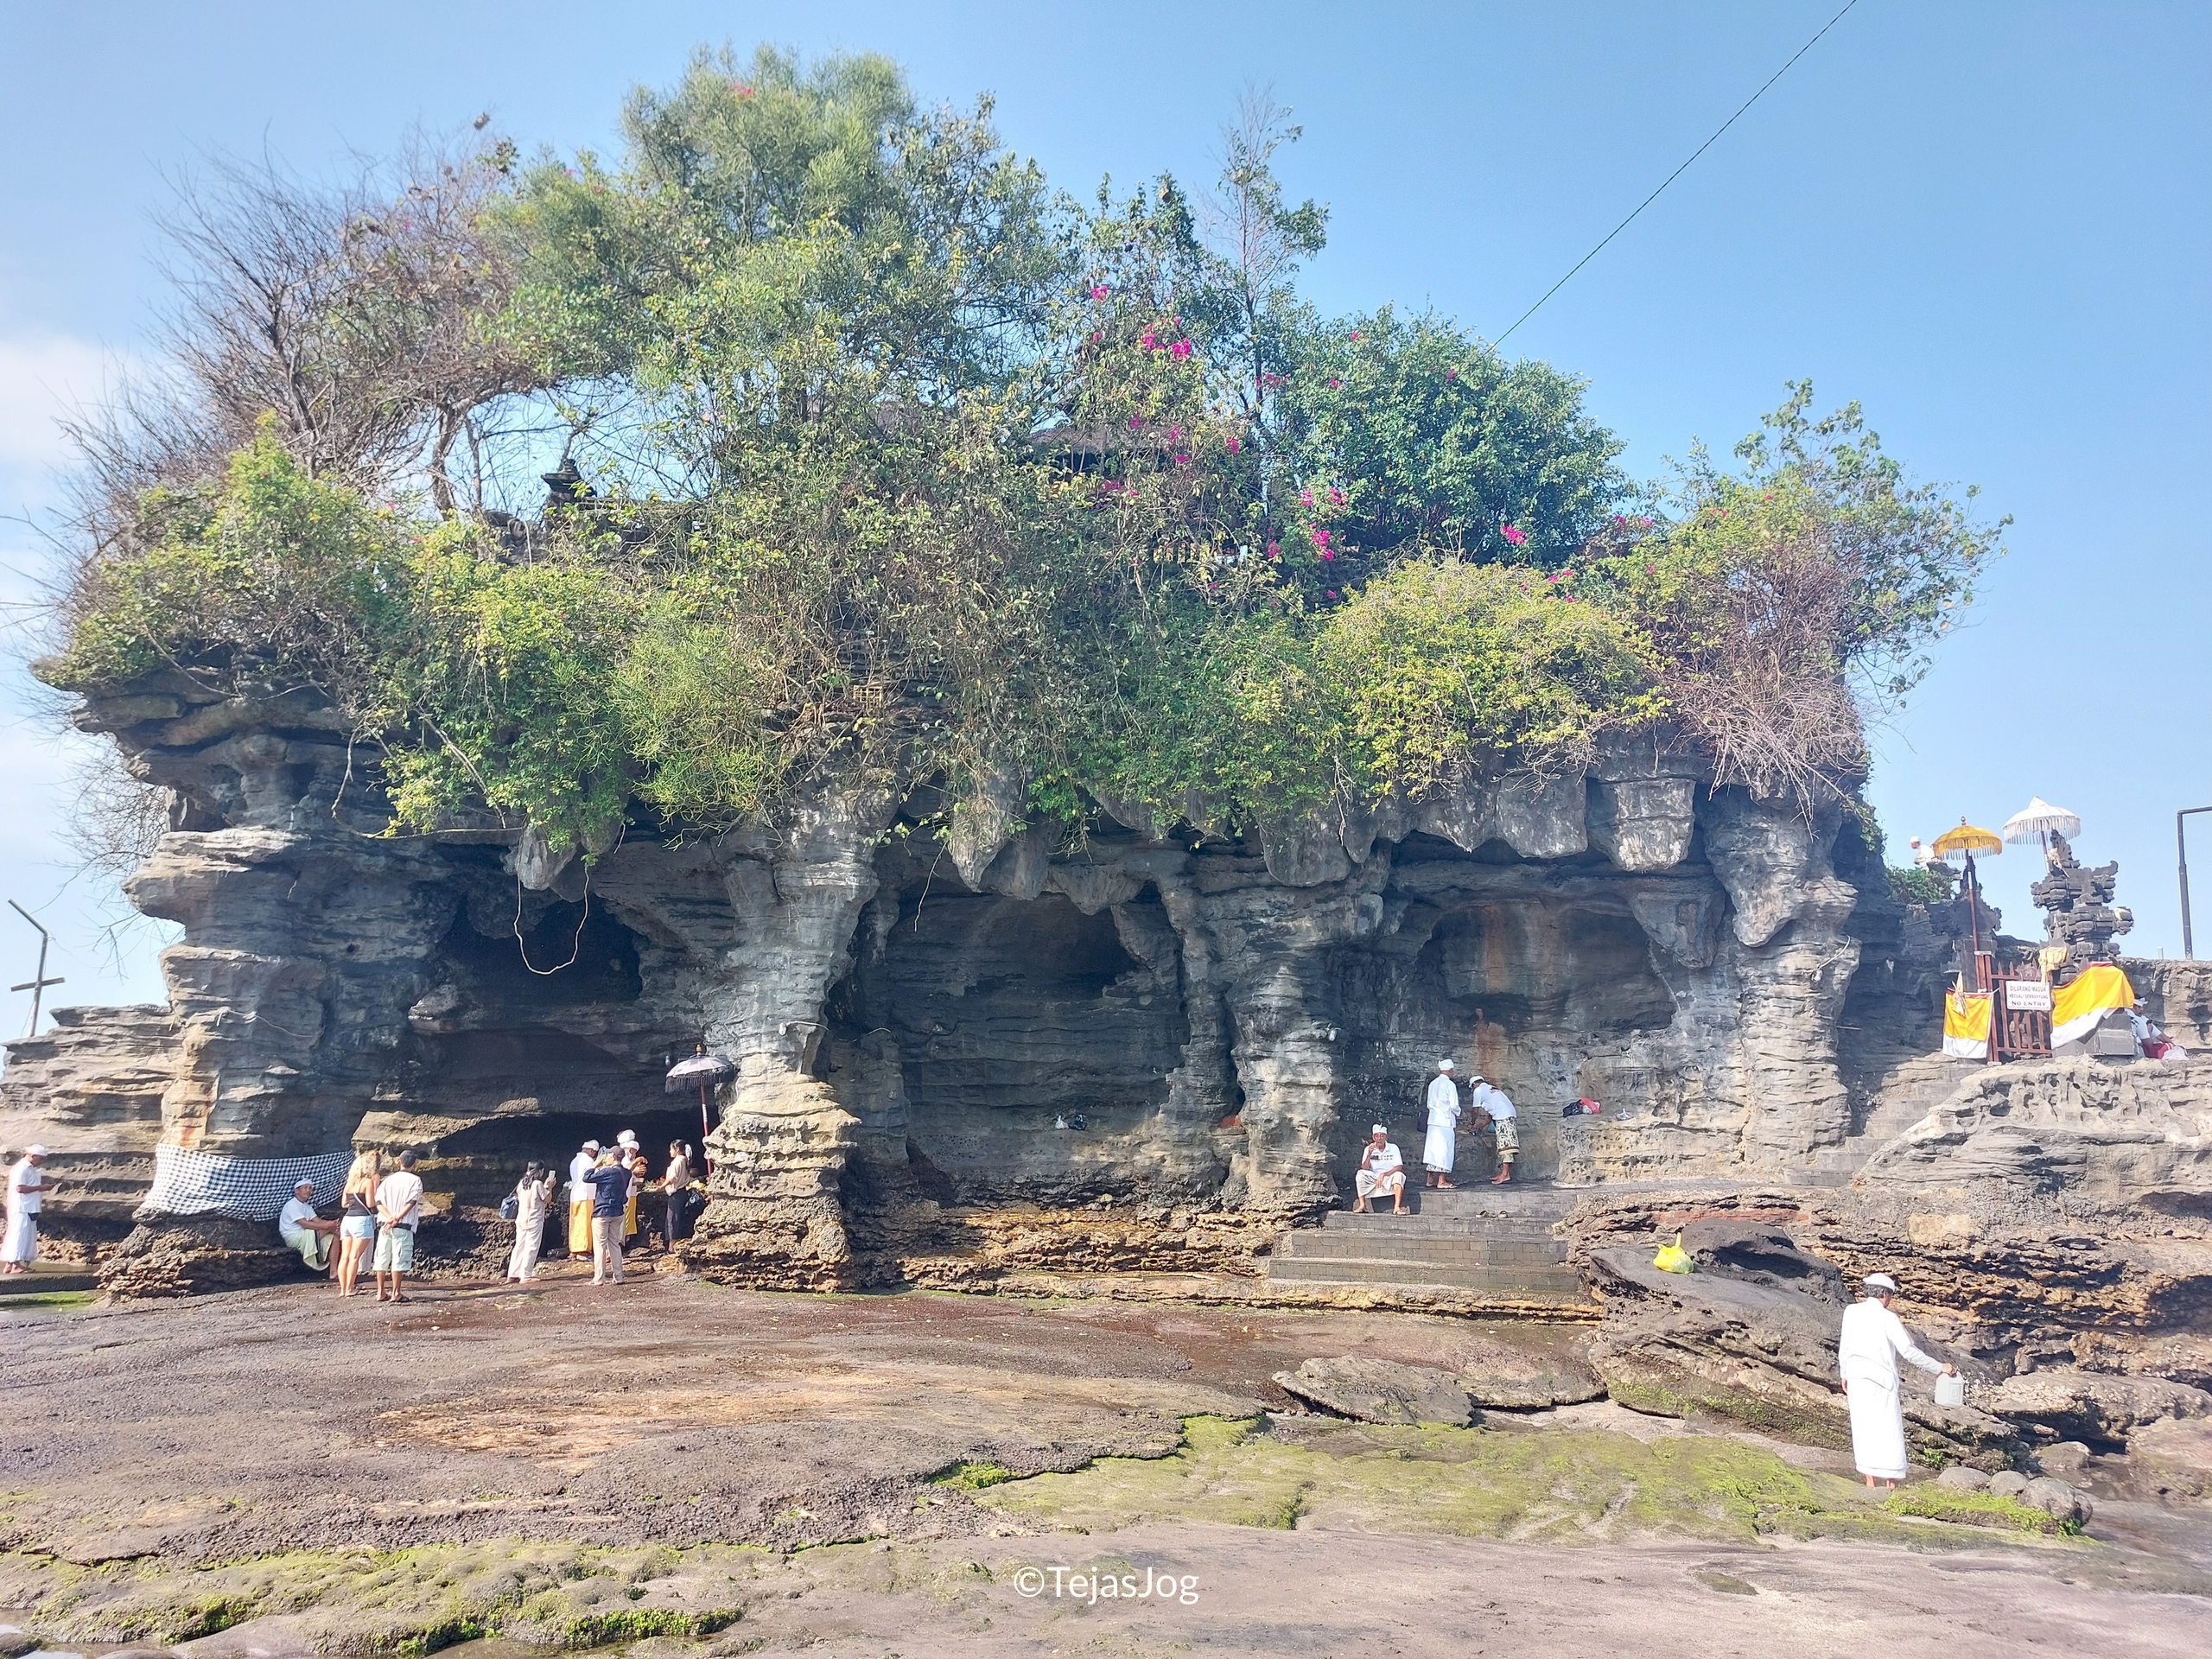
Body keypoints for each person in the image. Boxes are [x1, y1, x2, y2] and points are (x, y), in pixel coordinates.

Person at [1838, 1272, 1955, 1489]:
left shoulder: (1851, 1311)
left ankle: (1870, 1482)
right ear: (1884, 1294)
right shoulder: (1887, 1318)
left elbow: (1845, 1345)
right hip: (1881, 1380)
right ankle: (1890, 1483)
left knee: (1863, 1427)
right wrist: (1940, 1368)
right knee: (1887, 1429)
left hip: (1856, 1376)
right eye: (1890, 1295)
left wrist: (1844, 1373)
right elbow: (1908, 1352)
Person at [372, 1149, 426, 1304]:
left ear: (398, 1161)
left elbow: (378, 1202)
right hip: (403, 1225)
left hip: (385, 1224)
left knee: (382, 1258)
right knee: (399, 1258)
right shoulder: (415, 1180)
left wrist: (389, 1217)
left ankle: (380, 1292)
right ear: (415, 1164)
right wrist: (397, 1217)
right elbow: (411, 1202)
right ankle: (396, 1292)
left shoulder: (387, 1180)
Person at [2, 1145, 56, 1274]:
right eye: (40, 1159)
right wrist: (40, 1187)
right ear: (33, 1156)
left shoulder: (31, 1169)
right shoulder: (21, 1169)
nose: (41, 1162)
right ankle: (16, 1266)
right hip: (21, 1207)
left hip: (29, 1207)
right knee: (19, 1235)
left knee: (24, 1236)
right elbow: (20, 1188)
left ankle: (10, 1265)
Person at [335, 1152, 380, 1297]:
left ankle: (343, 1289)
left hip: (347, 1220)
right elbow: (371, 1203)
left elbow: (344, 1204)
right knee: (355, 1257)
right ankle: (350, 1288)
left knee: (345, 1256)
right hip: (361, 1220)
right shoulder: (367, 1182)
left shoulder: (349, 1183)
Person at [587, 1149, 632, 1284]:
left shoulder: (606, 1172)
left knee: (600, 1246)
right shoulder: (627, 1173)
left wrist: (596, 1164)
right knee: (614, 1244)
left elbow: (586, 1178)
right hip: (618, 1212)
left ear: (612, 1156)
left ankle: (599, 1278)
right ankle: (618, 1276)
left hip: (602, 1212)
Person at [277, 1179, 340, 1275]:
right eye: (305, 1188)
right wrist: (328, 1226)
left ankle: (333, 1271)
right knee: (329, 1229)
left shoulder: (307, 1206)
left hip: (306, 1234)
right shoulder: (291, 1205)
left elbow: (318, 1221)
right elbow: (304, 1223)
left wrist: (333, 1223)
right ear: (297, 1191)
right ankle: (348, 1240)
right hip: (293, 1237)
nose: (308, 1190)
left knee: (334, 1238)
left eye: (310, 1188)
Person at [1470, 1075, 1519, 1185]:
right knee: (1504, 1143)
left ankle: (1505, 1174)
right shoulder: (1491, 1088)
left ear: (1474, 1084)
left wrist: (1472, 1123)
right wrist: (1481, 1126)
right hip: (1508, 1115)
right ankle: (1504, 1173)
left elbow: (1475, 1110)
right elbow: (1490, 1116)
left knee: (1506, 1145)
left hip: (1503, 1117)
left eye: (1472, 1087)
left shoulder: (1478, 1091)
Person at [1421, 1060, 1461, 1190]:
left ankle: (1430, 1179)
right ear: (1450, 1071)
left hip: (1433, 1121)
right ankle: (1442, 1180)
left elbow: (1428, 1104)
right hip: (1445, 1121)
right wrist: (1459, 1112)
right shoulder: (1450, 1084)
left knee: (1432, 1150)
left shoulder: (1433, 1084)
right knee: (1445, 1150)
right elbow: (1454, 1105)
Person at [1353, 1124, 1407, 1215]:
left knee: (1399, 1175)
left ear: (1386, 1137)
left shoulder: (1393, 1148)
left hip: (1389, 1176)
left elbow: (1399, 1167)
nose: (1379, 1138)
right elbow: (1364, 1167)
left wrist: (1384, 1174)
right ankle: (1362, 1205)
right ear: (1373, 1137)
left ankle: (1397, 1207)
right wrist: (1369, 1154)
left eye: (1382, 1135)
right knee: (1360, 1174)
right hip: (1374, 1177)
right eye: (1377, 1135)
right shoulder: (1368, 1148)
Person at [567, 1140, 601, 1258]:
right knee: (584, 1223)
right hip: (585, 1195)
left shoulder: (574, 1161)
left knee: (575, 1222)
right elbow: (594, 1174)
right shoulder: (588, 1161)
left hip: (575, 1195)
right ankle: (583, 1251)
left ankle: (574, 1249)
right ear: (592, 1151)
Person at [661, 1140, 695, 1249]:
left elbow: (672, 1178)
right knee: (675, 1218)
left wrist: (661, 1187)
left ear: (677, 1150)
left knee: (673, 1219)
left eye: (671, 1149)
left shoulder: (678, 1161)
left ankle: (672, 1246)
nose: (670, 1151)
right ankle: (673, 1245)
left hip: (676, 1194)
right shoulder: (684, 1160)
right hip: (682, 1192)